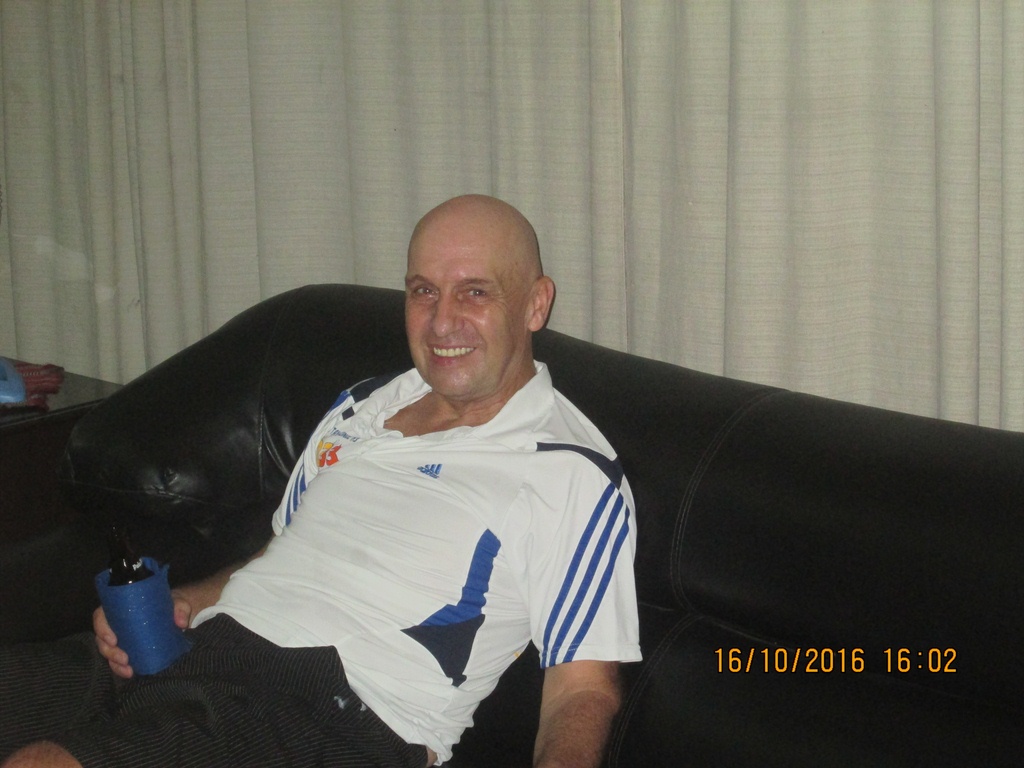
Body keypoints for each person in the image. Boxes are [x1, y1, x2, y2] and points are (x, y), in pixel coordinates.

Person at [0, 195, 641, 768]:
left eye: (475, 292)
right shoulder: (363, 406)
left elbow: (583, 689)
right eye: (423, 291)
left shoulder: (568, 471)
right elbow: (278, 551)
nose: (442, 322)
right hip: (197, 651)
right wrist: (187, 601)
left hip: (332, 711)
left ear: (535, 304)